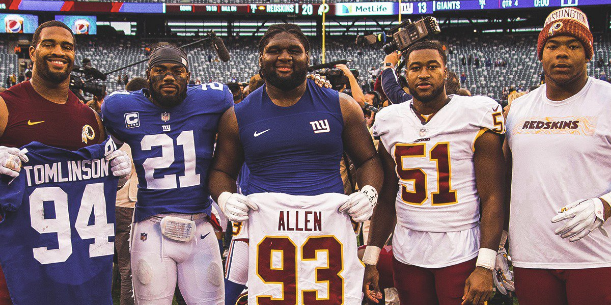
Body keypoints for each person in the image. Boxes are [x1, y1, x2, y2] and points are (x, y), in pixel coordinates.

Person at [208, 24, 383, 304]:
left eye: (294, 50)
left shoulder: (342, 105)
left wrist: (369, 192)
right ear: (260, 58)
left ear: (307, 57)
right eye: (274, 50)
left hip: (326, 229)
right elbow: (221, 171)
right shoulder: (238, 115)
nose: (285, 57)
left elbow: (368, 159)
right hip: (261, 230)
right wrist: (226, 197)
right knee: (234, 298)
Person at [362, 40, 505, 305]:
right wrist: (371, 258)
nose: (424, 74)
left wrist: (484, 264)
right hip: (407, 248)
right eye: (415, 68)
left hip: (461, 246)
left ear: (445, 72)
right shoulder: (390, 120)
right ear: (406, 74)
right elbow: (387, 195)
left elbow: (494, 196)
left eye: (432, 66)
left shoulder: (475, 114)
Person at [0, 20, 131, 305]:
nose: (58, 51)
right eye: (49, 44)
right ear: (32, 52)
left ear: (74, 54)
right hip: (20, 260)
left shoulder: (90, 116)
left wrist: (115, 174)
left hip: (79, 263)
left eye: (67, 47)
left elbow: (99, 177)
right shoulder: (5, 104)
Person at [102, 45, 233, 305]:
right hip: (150, 225)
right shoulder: (120, 107)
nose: (169, 77)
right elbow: (98, 151)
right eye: (160, 70)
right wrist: (113, 169)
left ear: (189, 76)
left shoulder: (213, 99)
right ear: (148, 74)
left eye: (177, 71)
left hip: (200, 225)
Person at [504, 7, 611, 305]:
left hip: (596, 255)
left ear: (589, 53)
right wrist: (499, 245)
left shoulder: (607, 101)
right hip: (531, 256)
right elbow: (506, 180)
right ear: (541, 54)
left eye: (573, 45)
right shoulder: (518, 110)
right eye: (552, 46)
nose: (561, 53)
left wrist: (604, 205)